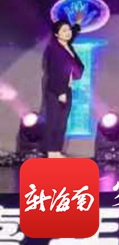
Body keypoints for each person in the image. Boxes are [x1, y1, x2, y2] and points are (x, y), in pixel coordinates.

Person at [41, 19, 86, 157]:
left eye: (68, 30)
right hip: (56, 90)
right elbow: (54, 72)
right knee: (53, 121)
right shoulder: (54, 49)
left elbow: (72, 35)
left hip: (67, 88)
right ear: (56, 34)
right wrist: (61, 92)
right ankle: (51, 152)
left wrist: (77, 25)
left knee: (62, 122)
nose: (68, 33)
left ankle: (57, 151)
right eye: (64, 31)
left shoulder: (67, 45)